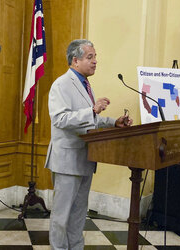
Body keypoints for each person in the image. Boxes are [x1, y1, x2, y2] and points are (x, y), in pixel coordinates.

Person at [44, 39, 133, 250]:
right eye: (90, 57)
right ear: (75, 60)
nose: (95, 62)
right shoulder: (61, 84)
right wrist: (92, 110)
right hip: (67, 161)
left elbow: (89, 120)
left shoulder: (84, 84)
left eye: (95, 57)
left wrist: (113, 122)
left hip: (84, 159)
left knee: (78, 214)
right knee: (61, 215)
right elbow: (60, 119)